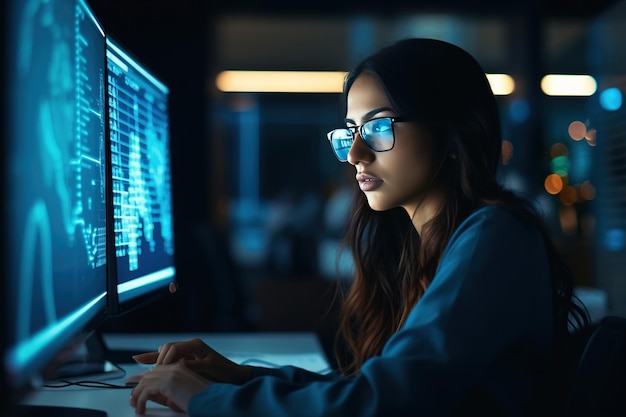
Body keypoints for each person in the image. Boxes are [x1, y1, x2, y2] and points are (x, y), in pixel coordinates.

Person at [128, 38, 590, 417]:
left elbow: (382, 403)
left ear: (452, 133)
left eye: (379, 128)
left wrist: (208, 401)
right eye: (350, 132)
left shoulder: (493, 236)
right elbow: (371, 385)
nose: (354, 155)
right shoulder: (437, 241)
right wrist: (242, 377)